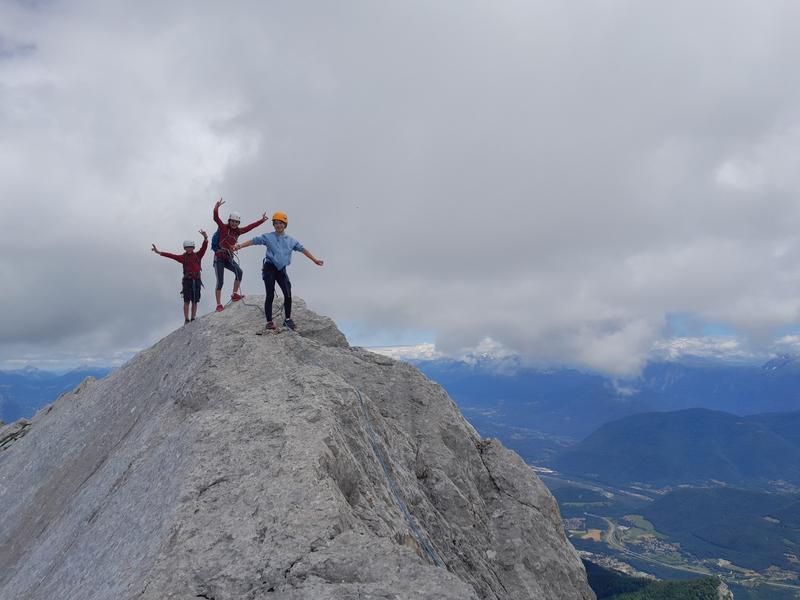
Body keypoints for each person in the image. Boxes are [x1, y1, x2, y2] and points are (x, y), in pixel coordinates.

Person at [234, 211, 323, 331]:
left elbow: (302, 249)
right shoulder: (268, 237)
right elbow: (253, 241)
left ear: (285, 224)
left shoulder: (291, 241)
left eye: (280, 223)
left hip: (281, 269)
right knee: (270, 294)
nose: (278, 225)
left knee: (288, 293)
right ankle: (269, 322)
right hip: (269, 267)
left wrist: (314, 260)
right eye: (275, 223)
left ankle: (287, 320)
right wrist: (239, 246)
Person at [212, 198, 268, 312]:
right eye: (232, 221)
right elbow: (216, 218)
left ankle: (234, 294)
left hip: (228, 257)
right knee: (220, 281)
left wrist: (261, 221)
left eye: (236, 222)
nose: (234, 223)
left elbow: (250, 227)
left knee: (239, 272)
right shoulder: (223, 228)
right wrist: (216, 208)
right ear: (229, 221)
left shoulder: (238, 231)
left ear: (238, 223)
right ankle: (218, 304)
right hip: (219, 258)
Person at [151, 230, 208, 324]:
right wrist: (159, 252)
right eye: (187, 248)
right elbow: (172, 256)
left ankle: (193, 318)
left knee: (195, 300)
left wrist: (205, 237)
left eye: (190, 247)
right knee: (187, 300)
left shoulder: (198, 255)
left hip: (197, 279)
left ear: (193, 247)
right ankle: (186, 319)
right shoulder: (183, 257)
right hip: (187, 281)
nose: (188, 249)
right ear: (185, 248)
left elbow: (204, 247)